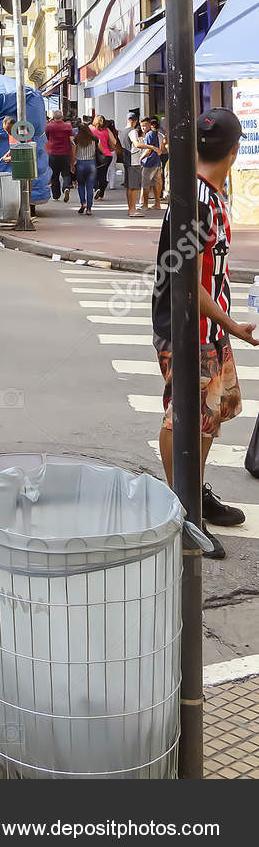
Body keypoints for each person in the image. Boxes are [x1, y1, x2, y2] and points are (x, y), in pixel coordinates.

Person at [151, 108, 256, 559]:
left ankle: (192, 491)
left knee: (210, 415)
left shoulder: (204, 193)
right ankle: (182, 511)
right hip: (190, 325)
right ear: (234, 151)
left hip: (209, 322)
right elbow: (185, 283)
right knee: (184, 416)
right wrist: (234, 325)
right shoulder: (195, 200)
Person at [46, 110, 75, 203]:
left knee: (54, 175)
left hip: (53, 152)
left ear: (53, 117)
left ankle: (56, 195)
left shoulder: (49, 126)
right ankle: (66, 187)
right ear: (62, 117)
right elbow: (72, 139)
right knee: (66, 172)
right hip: (65, 152)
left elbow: (46, 137)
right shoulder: (68, 126)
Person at [72, 118, 98, 214]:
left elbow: (73, 154)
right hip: (91, 163)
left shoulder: (76, 139)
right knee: (90, 187)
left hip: (80, 164)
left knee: (81, 185)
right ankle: (89, 209)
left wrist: (72, 164)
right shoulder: (94, 139)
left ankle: (83, 203)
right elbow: (97, 151)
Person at [91, 114, 119, 201]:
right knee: (103, 175)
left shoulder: (91, 128)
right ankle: (101, 195)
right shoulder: (107, 130)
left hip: (94, 154)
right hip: (107, 155)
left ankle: (96, 189)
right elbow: (114, 141)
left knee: (94, 174)